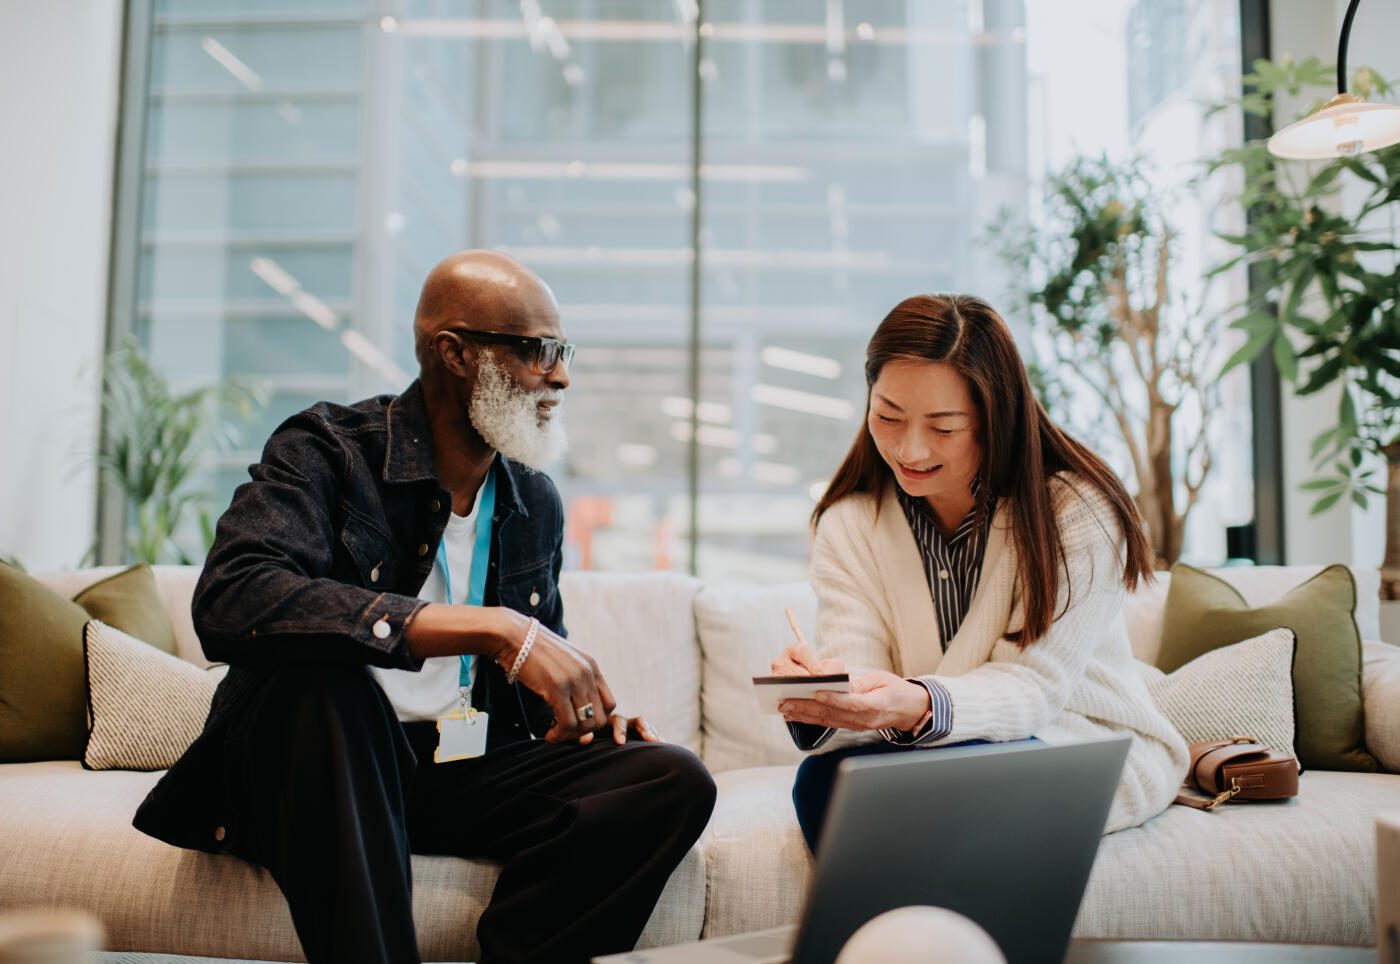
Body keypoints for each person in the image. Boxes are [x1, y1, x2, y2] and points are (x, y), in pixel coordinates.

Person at [132, 250, 717, 964]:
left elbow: (529, 681)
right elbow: (232, 596)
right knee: (329, 686)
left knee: (668, 777)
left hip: (448, 765)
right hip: (320, 762)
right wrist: (492, 629)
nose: (560, 374)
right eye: (539, 350)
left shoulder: (533, 501)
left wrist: (586, 726)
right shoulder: (328, 450)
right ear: (456, 353)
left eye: (562, 352)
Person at [772, 294, 1188, 850]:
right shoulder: (849, 522)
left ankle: (911, 932)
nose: (909, 449)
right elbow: (863, 670)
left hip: (1072, 739)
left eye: (943, 428)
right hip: (924, 754)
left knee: (956, 787)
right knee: (824, 783)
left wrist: (917, 702)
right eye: (888, 416)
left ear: (997, 418)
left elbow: (1034, 689)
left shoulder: (1077, 512)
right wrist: (826, 695)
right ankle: (926, 933)